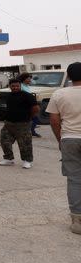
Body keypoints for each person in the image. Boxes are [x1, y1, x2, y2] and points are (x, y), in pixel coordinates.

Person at [46, 62, 81, 234]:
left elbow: (53, 120)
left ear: (68, 76)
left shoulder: (59, 93)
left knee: (74, 179)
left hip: (69, 139)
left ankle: (77, 221)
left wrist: (60, 139)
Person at [0, 79, 39, 168]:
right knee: (4, 140)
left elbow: (36, 108)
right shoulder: (9, 96)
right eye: (13, 86)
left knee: (25, 143)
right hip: (9, 123)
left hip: (23, 124)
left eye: (17, 86)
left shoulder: (27, 96)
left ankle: (27, 160)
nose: (15, 88)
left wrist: (29, 118)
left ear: (20, 86)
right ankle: (9, 159)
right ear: (10, 86)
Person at [19, 73, 41, 137]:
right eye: (28, 78)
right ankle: (30, 131)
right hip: (25, 105)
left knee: (33, 118)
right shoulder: (21, 86)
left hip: (29, 105)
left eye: (30, 78)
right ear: (24, 79)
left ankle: (31, 131)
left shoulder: (26, 86)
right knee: (33, 118)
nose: (30, 80)